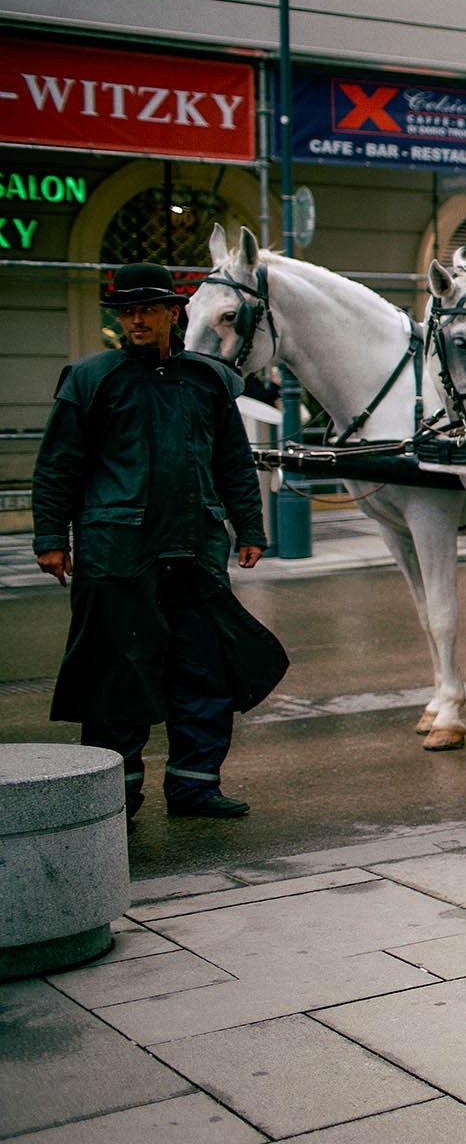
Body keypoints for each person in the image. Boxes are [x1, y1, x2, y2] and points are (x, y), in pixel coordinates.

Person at [33, 262, 288, 821]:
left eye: (147, 309)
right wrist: (51, 536)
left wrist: (250, 527)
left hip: (194, 553)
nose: (136, 320)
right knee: (115, 675)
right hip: (116, 554)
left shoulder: (209, 381)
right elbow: (58, 466)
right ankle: (114, 798)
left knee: (204, 671)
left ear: (173, 313)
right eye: (127, 311)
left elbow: (233, 462)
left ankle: (194, 787)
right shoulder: (90, 378)